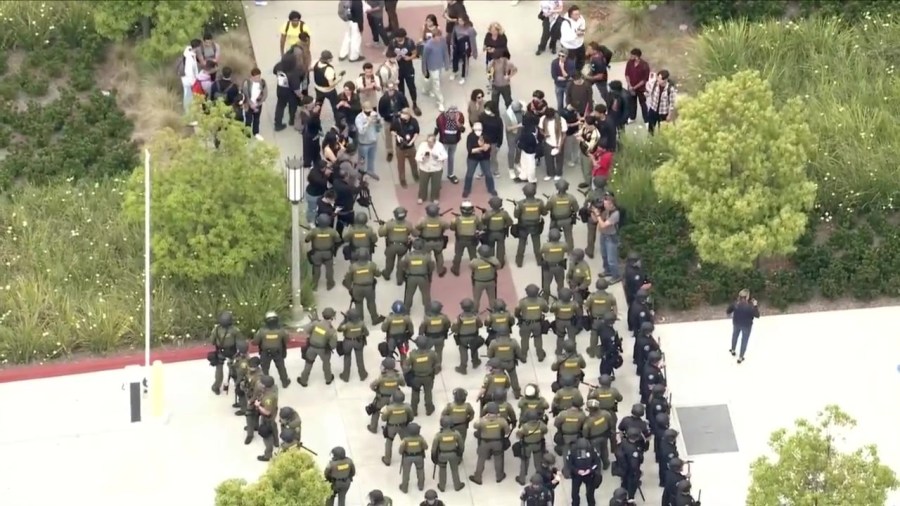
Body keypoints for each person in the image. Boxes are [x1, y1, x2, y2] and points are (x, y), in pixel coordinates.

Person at [469, 402, 511, 484]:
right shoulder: (502, 421)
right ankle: (499, 476)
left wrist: (484, 418)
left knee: (481, 459)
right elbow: (507, 432)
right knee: (498, 459)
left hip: (485, 443)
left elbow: (475, 426)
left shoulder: (482, 421)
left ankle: (477, 477)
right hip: (497, 443)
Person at [298, 308, 339, 386]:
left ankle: (303, 380)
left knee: (308, 363)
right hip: (323, 350)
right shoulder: (332, 331)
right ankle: (328, 379)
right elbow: (333, 345)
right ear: (332, 317)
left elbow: (306, 331)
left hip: (311, 348)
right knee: (326, 364)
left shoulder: (316, 323)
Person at [387, 28, 422, 115]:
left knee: (411, 86)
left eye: (400, 38)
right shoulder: (393, 43)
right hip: (398, 69)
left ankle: (414, 104)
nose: (398, 39)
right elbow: (389, 54)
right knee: (400, 87)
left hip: (408, 68)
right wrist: (394, 58)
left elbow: (415, 53)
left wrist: (409, 58)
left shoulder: (409, 42)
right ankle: (403, 105)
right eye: (397, 37)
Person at [345, 250, 385, 324]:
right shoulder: (372, 265)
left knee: (358, 304)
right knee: (371, 303)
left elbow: (347, 279)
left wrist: (350, 289)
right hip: (369, 288)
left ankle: (360, 320)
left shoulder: (353, 266)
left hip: (357, 288)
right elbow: (378, 274)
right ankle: (375, 319)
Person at [367, 358, 406, 433]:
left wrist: (376, 390)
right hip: (394, 397)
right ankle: (392, 429)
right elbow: (403, 384)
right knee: (393, 412)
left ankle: (373, 427)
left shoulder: (382, 377)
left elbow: (372, 385)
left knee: (376, 410)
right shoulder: (398, 376)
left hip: (382, 398)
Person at [254, 311, 291, 388]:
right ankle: (285, 382)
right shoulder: (281, 331)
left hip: (265, 353)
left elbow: (255, 342)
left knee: (264, 369)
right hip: (278, 353)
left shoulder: (261, 331)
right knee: (281, 368)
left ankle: (265, 383)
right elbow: (287, 340)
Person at [514, 183, 548, 267]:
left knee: (521, 243)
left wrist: (516, 207)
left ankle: (519, 261)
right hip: (535, 226)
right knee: (537, 244)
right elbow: (544, 213)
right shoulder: (539, 202)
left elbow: (516, 215)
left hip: (523, 226)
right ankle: (539, 260)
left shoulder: (520, 203)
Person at [209, 311, 242, 395]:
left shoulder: (216, 330)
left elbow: (212, 341)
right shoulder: (235, 330)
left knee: (219, 370)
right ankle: (237, 383)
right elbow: (240, 342)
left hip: (221, 351)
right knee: (234, 367)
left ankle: (216, 386)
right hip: (232, 351)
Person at [462, 122, 498, 198]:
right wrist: (481, 148)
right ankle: (466, 190)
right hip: (472, 158)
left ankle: (491, 189)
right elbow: (470, 150)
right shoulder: (470, 137)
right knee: (469, 173)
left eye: (480, 129)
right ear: (473, 129)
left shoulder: (486, 136)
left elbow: (488, 147)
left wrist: (484, 147)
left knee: (488, 173)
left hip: (484, 157)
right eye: (477, 129)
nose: (478, 131)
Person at [405, 336, 439, 416]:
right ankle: (429, 409)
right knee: (428, 393)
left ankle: (413, 410)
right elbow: (436, 363)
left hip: (416, 377)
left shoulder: (413, 354)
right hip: (428, 377)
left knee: (415, 393)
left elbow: (407, 365)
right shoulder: (431, 354)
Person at [398, 238, 435, 311]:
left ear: (413, 246)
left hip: (411, 277)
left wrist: (406, 272)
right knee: (426, 295)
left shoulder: (408, 256)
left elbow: (402, 265)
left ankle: (406, 309)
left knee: (409, 294)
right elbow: (431, 267)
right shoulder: (427, 256)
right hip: (423, 277)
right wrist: (428, 274)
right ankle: (428, 310)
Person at [380, 390, 415, 465]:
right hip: (403, 426)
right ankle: (408, 457)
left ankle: (387, 459)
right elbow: (411, 418)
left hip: (391, 427)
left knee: (389, 442)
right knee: (406, 441)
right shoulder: (407, 407)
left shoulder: (389, 408)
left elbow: (383, 418)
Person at [431, 417, 466, 492]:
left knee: (442, 470)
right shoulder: (456, 434)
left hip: (442, 455)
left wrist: (434, 458)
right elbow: (461, 445)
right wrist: (460, 454)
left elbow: (434, 448)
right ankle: (457, 485)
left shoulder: (438, 435)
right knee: (455, 470)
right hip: (453, 454)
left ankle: (442, 486)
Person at [379, 206, 413, 281]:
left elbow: (381, 234)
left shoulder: (389, 224)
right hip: (403, 247)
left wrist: (382, 226)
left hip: (391, 246)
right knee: (401, 264)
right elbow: (415, 233)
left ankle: (387, 274)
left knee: (389, 262)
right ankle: (400, 279)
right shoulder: (408, 224)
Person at [415, 203, 450, 277]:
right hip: (438, 242)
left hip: (426, 242)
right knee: (439, 255)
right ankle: (440, 271)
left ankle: (426, 270)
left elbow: (417, 227)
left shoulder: (423, 220)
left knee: (426, 256)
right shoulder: (441, 220)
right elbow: (447, 226)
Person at [306, 214, 340, 289]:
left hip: (316, 253)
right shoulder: (332, 231)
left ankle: (314, 286)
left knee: (316, 269)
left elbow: (307, 240)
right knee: (329, 269)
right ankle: (330, 284)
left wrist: (312, 232)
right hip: (328, 253)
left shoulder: (314, 231)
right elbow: (338, 240)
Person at [273, 51, 304, 132]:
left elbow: (274, 71)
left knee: (280, 106)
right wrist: (301, 96)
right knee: (292, 106)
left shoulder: (279, 66)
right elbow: (296, 89)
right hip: (290, 93)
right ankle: (291, 121)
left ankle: (278, 124)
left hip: (280, 90)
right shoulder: (294, 73)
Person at [726, 289, 760, 363]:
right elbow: (757, 315)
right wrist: (755, 305)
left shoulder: (735, 303)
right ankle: (740, 357)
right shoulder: (751, 306)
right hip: (747, 326)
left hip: (736, 323)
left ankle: (733, 350)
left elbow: (728, 311)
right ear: (747, 296)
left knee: (735, 336)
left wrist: (732, 315)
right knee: (744, 340)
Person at [594, 193, 621, 283]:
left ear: (611, 204)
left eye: (606, 204)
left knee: (611, 259)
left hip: (611, 237)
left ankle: (616, 276)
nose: (604, 205)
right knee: (604, 255)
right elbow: (595, 220)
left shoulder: (615, 214)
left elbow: (603, 225)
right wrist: (593, 212)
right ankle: (608, 271)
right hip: (603, 235)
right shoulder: (605, 211)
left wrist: (598, 215)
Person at [451, 298, 484, 373]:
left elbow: (453, 328)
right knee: (474, 349)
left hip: (462, 338)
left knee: (463, 351)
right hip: (474, 336)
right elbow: (480, 325)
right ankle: (475, 362)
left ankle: (463, 367)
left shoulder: (459, 317)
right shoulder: (475, 317)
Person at [337, 307, 369, 382]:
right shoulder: (361, 323)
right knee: (360, 359)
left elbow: (339, 329)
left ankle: (345, 376)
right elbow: (367, 333)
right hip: (358, 342)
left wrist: (344, 320)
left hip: (348, 342)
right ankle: (363, 375)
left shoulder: (347, 325)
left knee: (347, 359)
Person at [434, 106, 465, 183]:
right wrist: (433, 137)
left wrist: (458, 123)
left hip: (454, 142)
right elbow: (437, 128)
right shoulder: (441, 118)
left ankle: (450, 174)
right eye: (451, 113)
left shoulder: (460, 117)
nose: (453, 115)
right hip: (444, 142)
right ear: (447, 112)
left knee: (451, 158)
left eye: (455, 113)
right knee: (441, 158)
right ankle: (437, 176)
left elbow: (463, 130)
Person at [391, 107, 421, 187]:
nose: (402, 116)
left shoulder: (414, 121)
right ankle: (402, 179)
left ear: (409, 115)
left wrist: (411, 142)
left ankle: (416, 175)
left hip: (410, 146)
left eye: (404, 114)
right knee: (401, 164)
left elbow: (416, 132)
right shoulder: (397, 121)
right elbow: (392, 130)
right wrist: (397, 136)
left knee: (413, 162)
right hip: (400, 146)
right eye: (402, 114)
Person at [450, 201, 481, 275]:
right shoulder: (475, 218)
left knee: (458, 255)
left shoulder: (457, 219)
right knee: (473, 255)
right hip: (472, 240)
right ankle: (475, 269)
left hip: (460, 240)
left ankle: (455, 269)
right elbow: (480, 227)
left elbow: (452, 228)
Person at [421, 31, 450, 111]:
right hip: (432, 67)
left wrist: (447, 63)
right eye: (437, 37)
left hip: (439, 65)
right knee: (436, 83)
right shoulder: (428, 46)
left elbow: (445, 51)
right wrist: (424, 69)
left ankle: (426, 89)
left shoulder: (442, 41)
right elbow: (424, 59)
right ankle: (440, 102)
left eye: (439, 37)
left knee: (432, 80)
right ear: (433, 37)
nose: (438, 39)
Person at [313, 50, 346, 120]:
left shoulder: (316, 63)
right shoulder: (329, 69)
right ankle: (338, 120)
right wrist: (339, 79)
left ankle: (315, 119)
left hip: (318, 89)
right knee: (335, 105)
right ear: (328, 60)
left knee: (318, 105)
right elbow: (331, 84)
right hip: (329, 91)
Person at [253, 375, 280, 461]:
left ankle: (267, 455)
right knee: (274, 426)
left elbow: (267, 411)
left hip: (267, 417)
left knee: (267, 436)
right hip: (273, 415)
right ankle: (276, 442)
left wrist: (258, 406)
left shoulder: (269, 398)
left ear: (265, 385)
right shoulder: (273, 388)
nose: (259, 383)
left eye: (261, 383)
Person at [567, 438, 601, 506]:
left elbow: (597, 462)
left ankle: (591, 504)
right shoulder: (572, 451)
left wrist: (590, 470)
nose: (583, 451)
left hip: (589, 475)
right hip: (577, 475)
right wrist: (577, 471)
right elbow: (569, 464)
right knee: (574, 493)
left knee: (590, 493)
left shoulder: (592, 450)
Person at [416, 134, 448, 204]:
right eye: (428, 141)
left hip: (436, 168)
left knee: (436, 184)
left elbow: (445, 155)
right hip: (424, 168)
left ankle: (435, 198)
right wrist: (423, 158)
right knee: (422, 184)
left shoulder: (439, 146)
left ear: (434, 142)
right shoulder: (422, 145)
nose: (429, 143)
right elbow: (417, 157)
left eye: (430, 142)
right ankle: (421, 197)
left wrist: (438, 157)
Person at [481, 196, 513, 266]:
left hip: (490, 233)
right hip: (501, 233)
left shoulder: (487, 213)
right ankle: (500, 262)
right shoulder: (504, 213)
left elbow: (482, 222)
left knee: (490, 248)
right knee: (501, 248)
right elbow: (510, 222)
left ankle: (491, 262)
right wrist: (504, 225)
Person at [582, 399, 613, 469]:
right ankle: (606, 463)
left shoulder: (589, 421)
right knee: (604, 450)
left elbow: (585, 433)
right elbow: (610, 423)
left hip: (594, 440)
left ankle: (597, 468)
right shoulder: (606, 414)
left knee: (596, 453)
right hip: (604, 436)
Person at [615, 428, 645, 500]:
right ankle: (630, 498)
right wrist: (638, 473)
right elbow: (634, 465)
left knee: (624, 482)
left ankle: (623, 492)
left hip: (624, 468)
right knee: (632, 486)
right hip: (631, 472)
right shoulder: (634, 450)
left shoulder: (623, 442)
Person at [398, 422, 429, 493]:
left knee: (406, 473)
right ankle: (421, 486)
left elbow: (400, 451)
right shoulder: (421, 439)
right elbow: (426, 447)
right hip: (419, 457)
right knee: (420, 471)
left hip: (407, 457)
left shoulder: (405, 440)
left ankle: (404, 488)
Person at [419, 300, 451, 366]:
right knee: (439, 353)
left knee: (426, 352)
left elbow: (422, 328)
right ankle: (438, 366)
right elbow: (448, 325)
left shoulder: (427, 319)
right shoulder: (444, 318)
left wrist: (420, 336)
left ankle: (427, 365)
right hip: (440, 338)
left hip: (429, 338)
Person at [540, 229, 569, 300]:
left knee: (546, 283)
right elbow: (567, 250)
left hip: (548, 267)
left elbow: (540, 252)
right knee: (560, 283)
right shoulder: (564, 245)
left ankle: (546, 298)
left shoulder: (546, 246)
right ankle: (562, 297)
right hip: (559, 266)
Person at [470, 245, 500, 312]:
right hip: (491, 281)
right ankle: (494, 311)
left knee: (476, 299)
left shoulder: (475, 262)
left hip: (478, 282)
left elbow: (471, 268)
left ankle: (475, 311)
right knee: (492, 298)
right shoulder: (494, 260)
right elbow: (498, 267)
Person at [624, 48, 651, 123]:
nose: (630, 56)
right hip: (630, 87)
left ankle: (646, 120)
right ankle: (632, 117)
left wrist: (634, 87)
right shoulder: (629, 63)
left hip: (640, 88)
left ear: (636, 56)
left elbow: (644, 79)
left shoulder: (644, 65)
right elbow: (627, 74)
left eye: (632, 55)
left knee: (642, 103)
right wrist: (629, 85)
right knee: (632, 103)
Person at [646, 70, 677, 135]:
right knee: (650, 129)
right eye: (658, 77)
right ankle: (650, 142)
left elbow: (672, 103)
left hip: (663, 112)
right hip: (653, 110)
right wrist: (647, 94)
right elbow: (649, 90)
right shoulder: (655, 84)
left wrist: (669, 115)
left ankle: (661, 142)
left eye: (660, 79)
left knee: (663, 131)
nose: (658, 79)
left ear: (665, 80)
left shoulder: (670, 89)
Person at [355, 101, 381, 175]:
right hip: (364, 143)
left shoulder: (375, 115)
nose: (369, 113)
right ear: (363, 109)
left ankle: (370, 171)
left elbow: (378, 129)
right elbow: (361, 131)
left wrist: (378, 122)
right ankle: (361, 174)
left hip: (373, 142)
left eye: (370, 110)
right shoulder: (359, 118)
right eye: (367, 111)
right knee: (362, 160)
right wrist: (368, 123)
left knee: (371, 159)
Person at [539, 108, 565, 181]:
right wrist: (544, 134)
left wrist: (560, 145)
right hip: (548, 142)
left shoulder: (561, 120)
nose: (549, 119)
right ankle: (550, 174)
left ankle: (558, 173)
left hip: (558, 142)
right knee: (548, 159)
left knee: (559, 159)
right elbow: (540, 129)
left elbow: (564, 134)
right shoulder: (543, 119)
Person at [450, 15, 477, 85]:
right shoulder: (456, 27)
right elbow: (453, 36)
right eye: (459, 20)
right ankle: (455, 71)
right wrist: (452, 44)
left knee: (465, 61)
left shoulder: (470, 29)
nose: (459, 22)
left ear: (465, 21)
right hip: (458, 45)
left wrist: (473, 51)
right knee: (455, 58)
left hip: (466, 46)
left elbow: (473, 40)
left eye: (461, 21)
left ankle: (463, 76)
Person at [559, 5, 587, 71]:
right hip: (569, 47)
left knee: (581, 59)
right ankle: (568, 72)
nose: (578, 16)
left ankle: (578, 71)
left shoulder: (581, 18)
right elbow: (566, 38)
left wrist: (582, 32)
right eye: (575, 14)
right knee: (569, 61)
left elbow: (583, 28)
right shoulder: (565, 23)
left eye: (578, 14)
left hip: (579, 44)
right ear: (570, 15)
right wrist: (576, 34)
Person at [179, 39, 201, 115]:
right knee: (189, 99)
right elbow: (188, 71)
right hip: (189, 81)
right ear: (197, 47)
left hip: (190, 80)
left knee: (189, 98)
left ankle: (190, 115)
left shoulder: (191, 54)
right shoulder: (189, 57)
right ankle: (189, 117)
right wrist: (193, 83)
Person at [505, 100, 525, 180]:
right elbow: (508, 128)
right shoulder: (507, 114)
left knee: (519, 149)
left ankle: (517, 163)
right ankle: (511, 169)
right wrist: (519, 125)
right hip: (512, 135)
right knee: (511, 152)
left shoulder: (522, 110)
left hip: (520, 133)